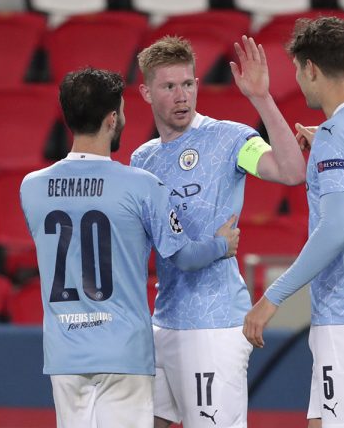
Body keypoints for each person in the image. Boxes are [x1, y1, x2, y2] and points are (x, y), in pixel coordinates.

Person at [20, 67, 240, 428]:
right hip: (123, 352)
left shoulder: (31, 187)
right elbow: (184, 257)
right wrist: (221, 245)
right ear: (111, 118)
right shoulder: (142, 186)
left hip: (65, 355)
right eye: (121, 110)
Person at [243, 17, 344, 428]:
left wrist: (272, 298)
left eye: (298, 70)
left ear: (311, 68)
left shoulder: (338, 135)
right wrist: (327, 145)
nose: (299, 81)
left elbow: (335, 229)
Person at [130, 35, 306, 428]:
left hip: (214, 325)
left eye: (188, 84)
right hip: (164, 321)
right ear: (146, 92)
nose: (181, 96)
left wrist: (262, 98)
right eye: (169, 86)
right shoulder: (143, 159)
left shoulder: (229, 139)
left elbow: (292, 172)